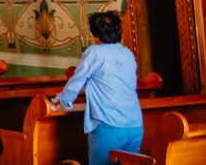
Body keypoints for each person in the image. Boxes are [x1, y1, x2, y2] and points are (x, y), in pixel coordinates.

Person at [51, 11, 142, 165]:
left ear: (96, 35)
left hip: (109, 125)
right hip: (135, 124)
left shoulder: (94, 53)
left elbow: (77, 81)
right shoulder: (127, 53)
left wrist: (60, 100)